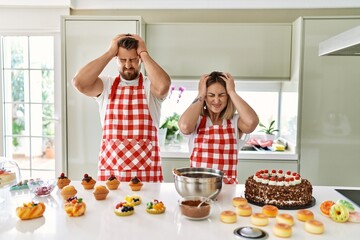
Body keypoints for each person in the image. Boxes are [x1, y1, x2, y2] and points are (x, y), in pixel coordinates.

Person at [73, 34, 171, 182]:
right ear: (115, 59)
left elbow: (164, 86)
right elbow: (79, 83)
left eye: (133, 59)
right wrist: (110, 52)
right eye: (122, 59)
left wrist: (144, 52)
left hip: (146, 178)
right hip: (112, 175)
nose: (128, 65)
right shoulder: (106, 85)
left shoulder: (150, 86)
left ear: (140, 60)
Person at [178, 71, 259, 184]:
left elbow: (251, 122)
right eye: (211, 95)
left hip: (227, 189)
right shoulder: (197, 120)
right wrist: (200, 93)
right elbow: (185, 126)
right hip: (198, 189)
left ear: (228, 97)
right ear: (205, 97)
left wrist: (232, 91)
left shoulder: (234, 121)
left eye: (222, 95)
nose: (216, 101)